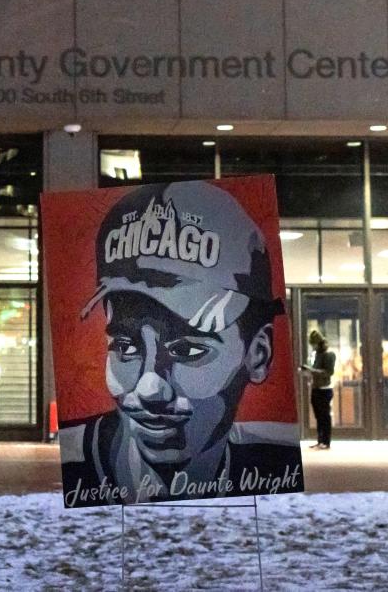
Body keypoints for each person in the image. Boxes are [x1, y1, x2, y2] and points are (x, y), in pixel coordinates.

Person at [58, 182, 302, 506]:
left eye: (187, 351)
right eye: (126, 347)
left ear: (257, 355)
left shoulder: (274, 461)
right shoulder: (77, 464)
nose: (149, 390)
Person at [302, 328, 336, 450]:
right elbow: (316, 370)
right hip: (315, 388)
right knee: (318, 416)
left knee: (325, 416)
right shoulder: (317, 355)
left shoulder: (329, 355)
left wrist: (312, 371)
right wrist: (308, 371)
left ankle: (326, 441)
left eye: (314, 344)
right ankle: (320, 440)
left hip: (325, 389)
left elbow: (328, 372)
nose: (313, 347)